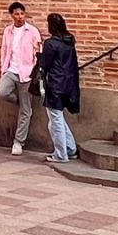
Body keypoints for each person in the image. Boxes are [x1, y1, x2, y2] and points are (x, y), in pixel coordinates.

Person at [0, 1, 42, 156]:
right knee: (2, 92)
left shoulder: (32, 31)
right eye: (16, 14)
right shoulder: (8, 31)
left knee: (26, 111)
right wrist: (4, 69)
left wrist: (35, 70)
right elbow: (4, 50)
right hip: (11, 70)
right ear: (12, 16)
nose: (20, 17)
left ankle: (18, 142)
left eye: (22, 14)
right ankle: (21, 102)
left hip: (27, 73)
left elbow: (38, 51)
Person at [38, 12, 81, 164]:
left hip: (55, 84)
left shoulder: (51, 43)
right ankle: (70, 148)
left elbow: (45, 64)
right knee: (58, 118)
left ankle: (61, 154)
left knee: (55, 119)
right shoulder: (69, 42)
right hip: (68, 83)